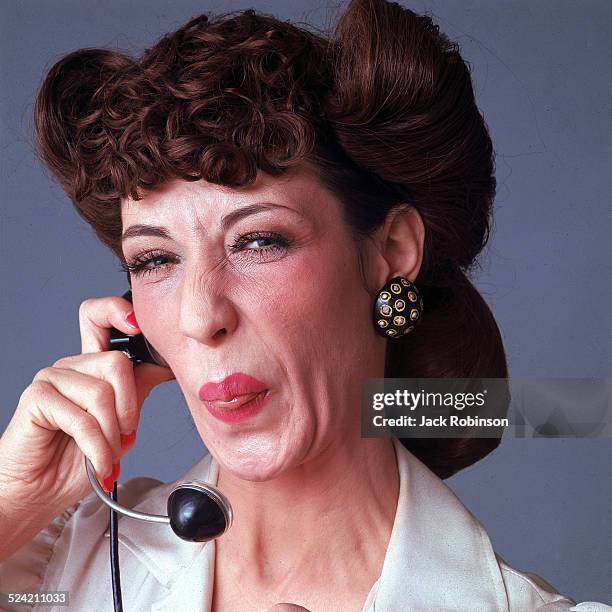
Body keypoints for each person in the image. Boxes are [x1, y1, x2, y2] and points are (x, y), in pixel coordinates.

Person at [0, 1, 608, 610]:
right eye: (155, 260)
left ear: (390, 251)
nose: (199, 316)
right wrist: (12, 500)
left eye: (259, 241)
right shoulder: (49, 563)